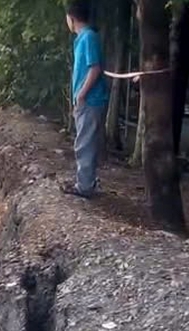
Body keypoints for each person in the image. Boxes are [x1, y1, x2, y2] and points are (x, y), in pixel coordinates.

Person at [62, 1, 109, 199]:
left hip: (90, 100)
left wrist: (81, 94)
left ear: (71, 18)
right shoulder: (82, 38)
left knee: (84, 143)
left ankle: (84, 187)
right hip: (87, 100)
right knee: (87, 141)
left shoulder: (88, 37)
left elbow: (94, 68)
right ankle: (87, 181)